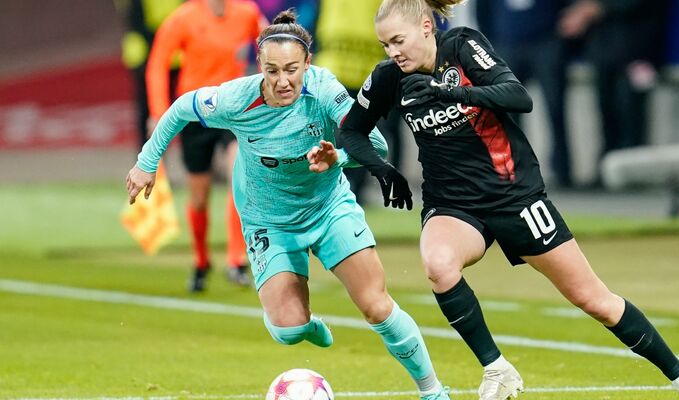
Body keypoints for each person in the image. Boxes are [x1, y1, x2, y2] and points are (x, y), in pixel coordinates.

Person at [336, 1, 679, 399]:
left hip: (514, 196)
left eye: (398, 40)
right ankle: (497, 369)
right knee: (438, 265)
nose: (393, 52)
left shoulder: (463, 46)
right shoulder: (388, 77)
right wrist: (384, 169)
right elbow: (352, 132)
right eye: (385, 45)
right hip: (453, 204)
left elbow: (518, 96)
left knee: (595, 300)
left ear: (427, 27)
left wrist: (451, 91)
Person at [126, 10, 451, 400]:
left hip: (328, 208)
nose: (283, 81)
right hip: (268, 220)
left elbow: (377, 145)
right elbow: (181, 109)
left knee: (376, 306)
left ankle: (433, 392)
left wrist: (339, 159)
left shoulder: (324, 90)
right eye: (273, 70)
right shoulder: (236, 98)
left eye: (292, 70)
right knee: (288, 329)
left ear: (307, 64)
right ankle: (307, 324)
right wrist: (147, 163)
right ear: (259, 64)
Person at [146, 0, 265, 291]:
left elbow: (268, 43)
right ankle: (201, 261)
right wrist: (159, 113)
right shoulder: (183, 18)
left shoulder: (246, 12)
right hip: (196, 113)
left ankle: (236, 259)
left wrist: (270, 85)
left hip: (233, 109)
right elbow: (158, 64)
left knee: (240, 173)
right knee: (199, 195)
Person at [475, 0, 576, 188]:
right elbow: (483, 11)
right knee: (507, 114)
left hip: (546, 41)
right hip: (508, 44)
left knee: (555, 109)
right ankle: (512, 171)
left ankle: (562, 170)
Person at [314, 0, 405, 204]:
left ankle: (360, 190)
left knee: (371, 134)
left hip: (366, 71)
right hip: (340, 71)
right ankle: (344, 190)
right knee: (346, 134)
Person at [558, 0, 671, 167]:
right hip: (604, 54)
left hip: (637, 53)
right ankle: (608, 167)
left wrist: (597, 8)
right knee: (606, 111)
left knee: (631, 111)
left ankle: (632, 167)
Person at [113, 0, 183, 148]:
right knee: (149, 111)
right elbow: (134, 16)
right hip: (146, 53)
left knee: (183, 107)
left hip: (176, 53)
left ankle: (201, 162)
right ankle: (148, 164)